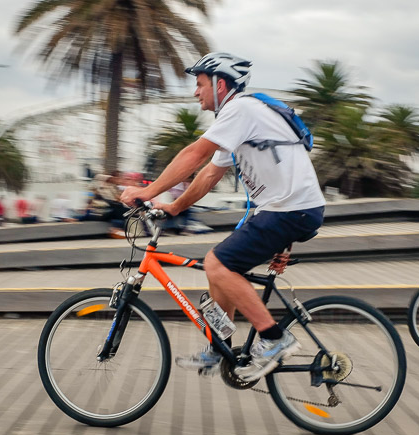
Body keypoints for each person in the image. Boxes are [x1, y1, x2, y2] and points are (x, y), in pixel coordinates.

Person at [120, 52, 325, 381]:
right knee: (220, 271)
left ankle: (275, 339)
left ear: (220, 83)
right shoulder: (240, 118)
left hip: (288, 209)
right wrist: (173, 207)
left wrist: (148, 190)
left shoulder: (239, 108)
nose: (195, 92)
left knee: (217, 263)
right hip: (288, 209)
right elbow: (209, 175)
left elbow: (193, 155)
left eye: (199, 84)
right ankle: (221, 347)